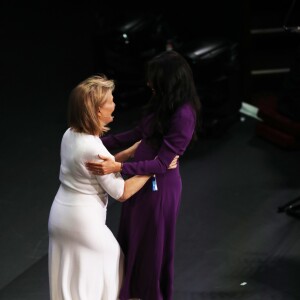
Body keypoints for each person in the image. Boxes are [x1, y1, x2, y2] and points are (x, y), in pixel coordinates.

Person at [48, 74, 177, 300]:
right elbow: (122, 192)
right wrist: (157, 166)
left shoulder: (70, 134)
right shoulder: (93, 147)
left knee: (77, 281)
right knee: (114, 270)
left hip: (60, 217)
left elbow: (98, 168)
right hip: (83, 223)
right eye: (110, 100)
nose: (115, 104)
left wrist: (127, 154)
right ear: (98, 110)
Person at [85, 50, 201, 300]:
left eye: (154, 79)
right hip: (141, 183)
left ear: (169, 81)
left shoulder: (184, 115)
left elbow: (162, 164)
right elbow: (140, 133)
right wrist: (96, 142)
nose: (149, 83)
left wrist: (119, 168)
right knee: (135, 241)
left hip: (158, 192)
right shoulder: (162, 101)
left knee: (150, 250)